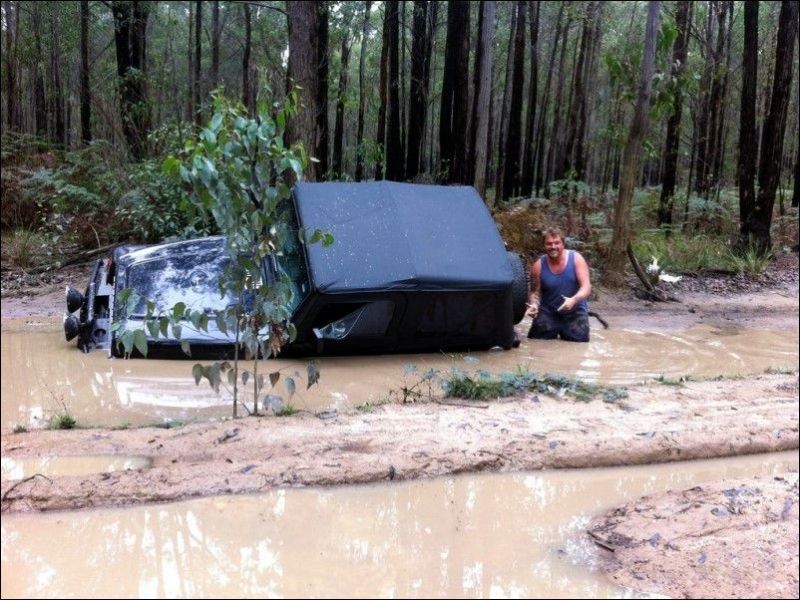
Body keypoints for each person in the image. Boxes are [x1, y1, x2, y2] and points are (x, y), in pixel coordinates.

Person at [526, 227, 592, 342]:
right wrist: (534, 305)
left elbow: (586, 287)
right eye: (549, 244)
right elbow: (534, 292)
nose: (553, 247)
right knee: (535, 344)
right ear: (544, 245)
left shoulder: (576, 259)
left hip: (575, 312)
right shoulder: (538, 266)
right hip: (548, 312)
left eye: (557, 243)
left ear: (563, 243)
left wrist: (573, 300)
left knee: (579, 348)